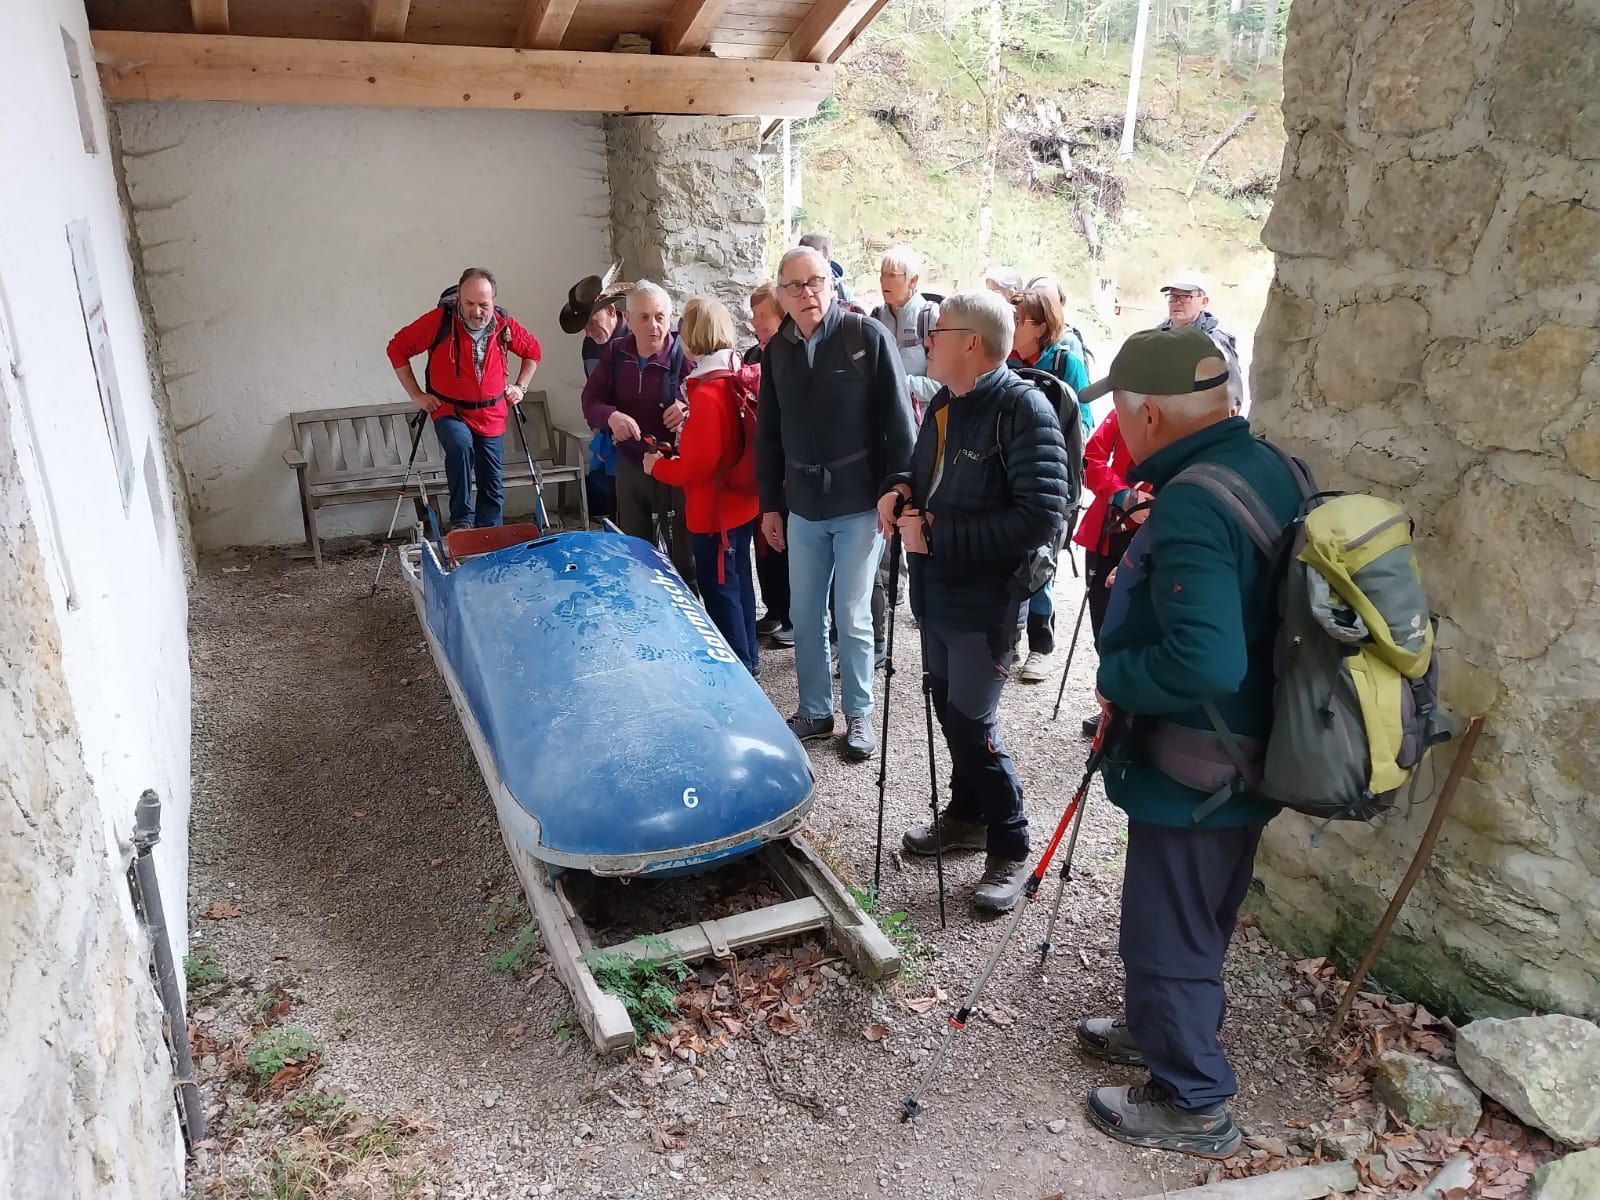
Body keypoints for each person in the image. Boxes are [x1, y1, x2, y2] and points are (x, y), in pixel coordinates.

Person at [1072, 325, 1300, 1158]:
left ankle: (1192, 1099)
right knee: (1199, 907)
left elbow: (1206, 655)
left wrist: (1117, 680)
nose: (1121, 430)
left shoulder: (1198, 499)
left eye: (1125, 415)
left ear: (1153, 418)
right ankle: (1158, 1025)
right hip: (1250, 747)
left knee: (1165, 924)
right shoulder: (1266, 465)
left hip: (1199, 758)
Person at [882, 291, 1069, 912]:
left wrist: (935, 532)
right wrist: (898, 490)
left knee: (973, 723)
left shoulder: (1025, 411)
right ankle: (966, 817)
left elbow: (1041, 517)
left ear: (973, 343)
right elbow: (920, 470)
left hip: (986, 602)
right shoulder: (945, 402)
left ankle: (1010, 846)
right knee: (947, 706)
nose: (927, 338)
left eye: (939, 331)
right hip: (935, 593)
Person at [756, 246, 914, 762]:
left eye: (816, 281)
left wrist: (898, 489)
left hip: (858, 503)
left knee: (851, 612)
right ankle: (815, 712)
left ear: (833, 283)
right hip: (802, 506)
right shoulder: (776, 349)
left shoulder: (865, 337)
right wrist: (770, 505)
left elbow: (899, 421)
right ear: (781, 294)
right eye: (795, 286)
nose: (807, 294)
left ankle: (859, 712)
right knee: (804, 613)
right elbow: (769, 434)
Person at [645, 298, 761, 675]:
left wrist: (658, 466)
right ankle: (750, 658)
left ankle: (737, 669)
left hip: (714, 512)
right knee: (741, 581)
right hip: (740, 503)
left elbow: (696, 468)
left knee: (721, 589)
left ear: (692, 338)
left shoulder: (708, 394)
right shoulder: (733, 376)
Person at [386, 268, 541, 531]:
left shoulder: (504, 323)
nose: (476, 311)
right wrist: (417, 395)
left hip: (492, 413)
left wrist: (521, 387)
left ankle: (490, 533)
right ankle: (462, 522)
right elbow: (397, 348)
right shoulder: (440, 321)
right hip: (449, 409)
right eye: (469, 303)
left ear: (493, 301)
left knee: (491, 478)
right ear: (459, 298)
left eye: (484, 305)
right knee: (459, 446)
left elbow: (533, 352)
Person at [581, 281, 696, 590]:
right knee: (635, 549)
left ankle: (689, 615)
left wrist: (687, 407)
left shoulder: (683, 354)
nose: (654, 326)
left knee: (684, 556)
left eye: (660, 316)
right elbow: (590, 401)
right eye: (644, 317)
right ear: (628, 320)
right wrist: (611, 417)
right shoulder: (616, 353)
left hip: (674, 467)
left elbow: (711, 400)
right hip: (631, 463)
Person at [1007, 285, 1092, 684]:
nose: (1011, 326)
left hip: (1052, 481)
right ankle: (1007, 641)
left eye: (1018, 319)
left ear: (1039, 326)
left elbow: (1084, 424)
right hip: (1008, 477)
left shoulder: (1066, 363)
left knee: (1041, 565)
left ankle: (1041, 646)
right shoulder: (1005, 360)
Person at [1073, 407, 1144, 738]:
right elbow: (1090, 458)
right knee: (1104, 626)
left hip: (1153, 530)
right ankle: (1112, 703)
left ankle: (1136, 709)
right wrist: (1123, 495)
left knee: (1141, 625)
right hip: (1108, 531)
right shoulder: (1124, 409)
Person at [745, 284, 792, 646]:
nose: (756, 321)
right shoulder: (751, 355)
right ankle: (774, 608)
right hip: (764, 463)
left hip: (790, 465)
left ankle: (793, 615)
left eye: (763, 314)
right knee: (766, 542)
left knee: (788, 542)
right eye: (754, 313)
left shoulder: (790, 354)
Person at [1158, 270, 1245, 411]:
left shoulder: (1215, 343)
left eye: (1185, 297)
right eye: (1173, 297)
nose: (1177, 303)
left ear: (1203, 302)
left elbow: (1234, 397)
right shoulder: (1156, 336)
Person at [799, 232, 852, 303]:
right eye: (805, 261)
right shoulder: (789, 289)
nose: (810, 267)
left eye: (817, 261)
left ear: (828, 262)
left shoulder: (844, 293)